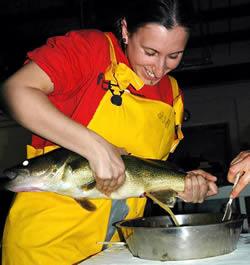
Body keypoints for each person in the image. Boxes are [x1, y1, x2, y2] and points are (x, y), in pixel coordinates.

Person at [0, 0, 218, 264]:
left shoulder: (171, 94)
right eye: (150, 52)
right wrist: (96, 148)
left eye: (174, 56)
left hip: (120, 251)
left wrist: (181, 184)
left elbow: (147, 170)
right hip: (47, 248)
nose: (159, 69)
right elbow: (14, 90)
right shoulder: (91, 51)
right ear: (125, 30)